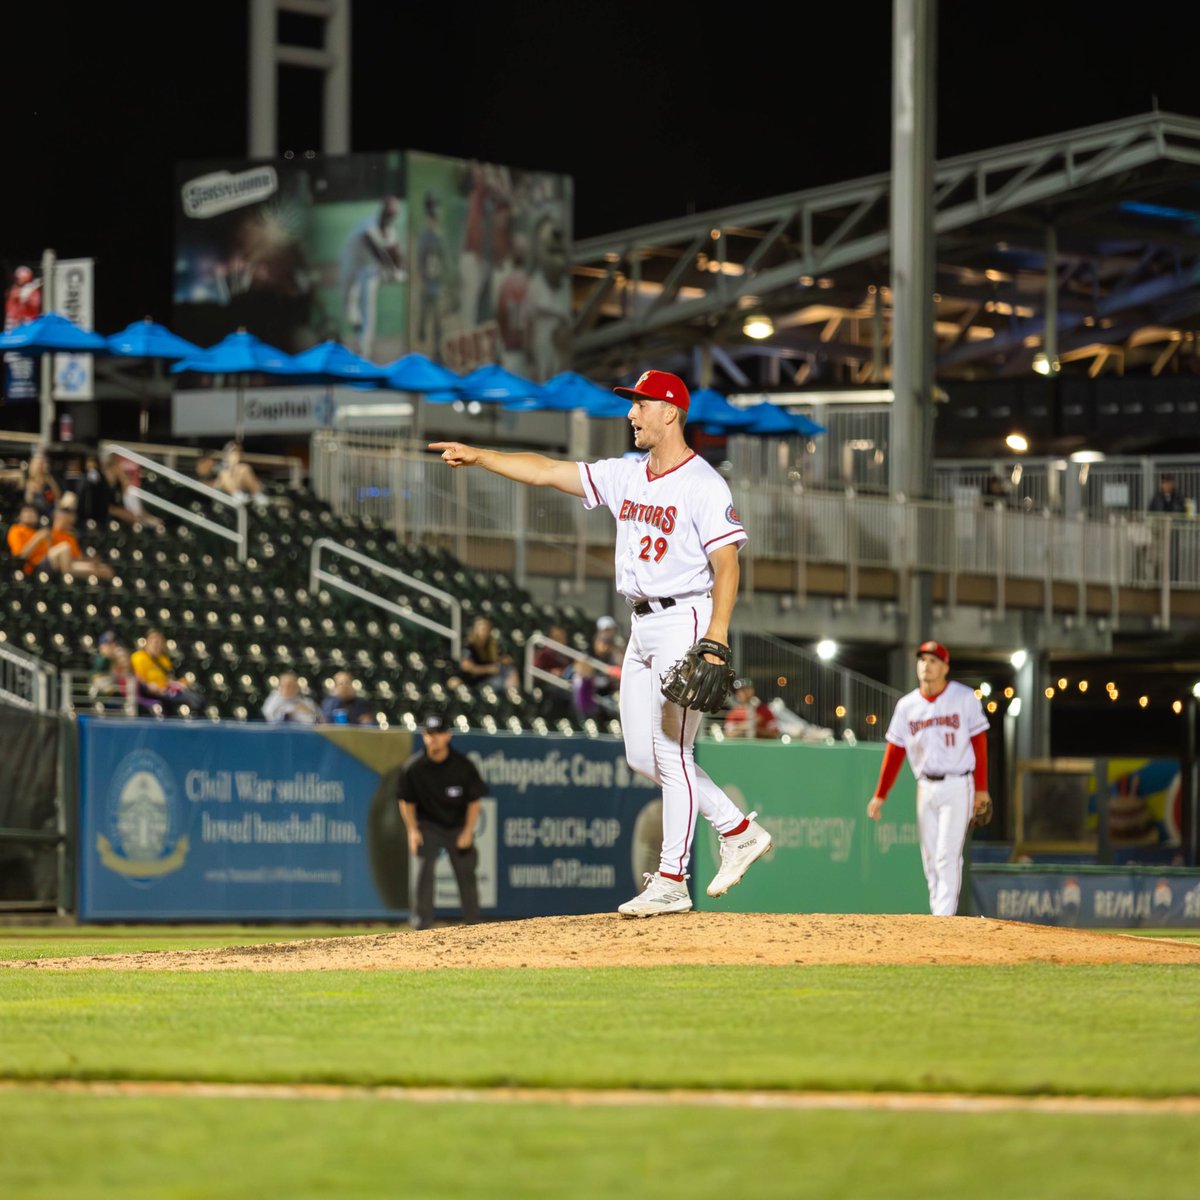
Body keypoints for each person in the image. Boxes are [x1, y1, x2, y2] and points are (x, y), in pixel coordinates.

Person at [430, 368, 772, 917]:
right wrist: (482, 456)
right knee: (643, 755)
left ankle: (672, 878)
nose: (631, 414)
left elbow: (727, 565)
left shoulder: (703, 483)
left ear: (670, 411)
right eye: (631, 404)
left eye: (640, 404)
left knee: (671, 750)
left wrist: (716, 635)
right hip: (641, 625)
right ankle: (736, 829)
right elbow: (546, 470)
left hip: (686, 616)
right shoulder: (627, 475)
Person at [866, 641, 991, 917]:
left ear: (945, 667)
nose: (926, 665)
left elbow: (979, 743)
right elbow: (895, 752)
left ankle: (942, 919)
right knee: (931, 858)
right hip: (925, 785)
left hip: (959, 783)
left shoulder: (964, 698)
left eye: (934, 660)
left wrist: (981, 789)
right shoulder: (907, 705)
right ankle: (938, 914)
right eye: (922, 660)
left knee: (947, 855)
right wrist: (881, 793)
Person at [396, 712, 486, 930]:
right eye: (429, 733)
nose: (432, 738)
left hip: (456, 825)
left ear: (448, 736)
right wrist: (412, 831)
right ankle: (421, 924)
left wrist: (467, 831)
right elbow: (406, 801)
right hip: (428, 825)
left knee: (466, 872)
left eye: (437, 733)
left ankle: (473, 924)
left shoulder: (463, 766)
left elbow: (475, 801)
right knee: (424, 869)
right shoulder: (413, 767)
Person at [339, 194, 405, 360]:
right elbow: (376, 250)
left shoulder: (390, 231)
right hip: (351, 261)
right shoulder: (369, 224)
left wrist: (399, 269)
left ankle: (364, 348)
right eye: (388, 212)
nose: (389, 217)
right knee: (348, 302)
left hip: (369, 269)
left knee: (369, 306)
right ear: (382, 211)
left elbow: (396, 253)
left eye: (392, 214)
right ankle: (356, 322)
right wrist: (393, 271)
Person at [131, 628, 203, 716]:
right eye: (155, 642)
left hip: (166, 691)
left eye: (160, 642)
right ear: (147, 642)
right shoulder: (138, 658)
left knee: (195, 696)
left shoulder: (164, 659)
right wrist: (152, 688)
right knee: (188, 698)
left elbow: (169, 678)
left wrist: (180, 684)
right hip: (149, 693)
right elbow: (137, 680)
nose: (157, 646)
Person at [459, 615, 518, 692]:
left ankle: (514, 695)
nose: (485, 632)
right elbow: (466, 667)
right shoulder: (469, 647)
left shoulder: (491, 645)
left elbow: (495, 661)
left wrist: (503, 661)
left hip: (492, 677)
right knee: (498, 682)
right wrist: (488, 669)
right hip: (477, 682)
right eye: (483, 629)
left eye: (487, 629)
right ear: (476, 630)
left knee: (510, 669)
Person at [21, 450, 62, 517]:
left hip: (50, 514)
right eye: (38, 464)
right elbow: (28, 503)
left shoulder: (49, 481)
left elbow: (57, 498)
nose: (40, 466)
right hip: (33, 515)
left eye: (42, 463)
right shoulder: (27, 482)